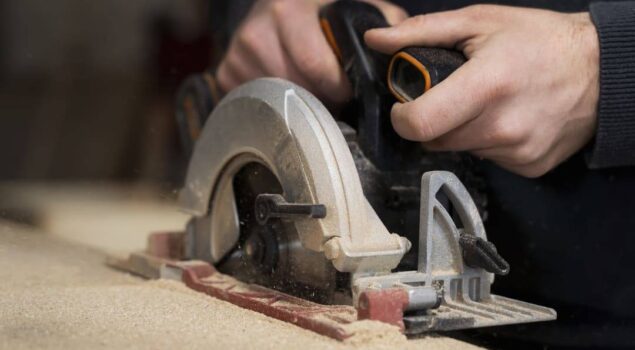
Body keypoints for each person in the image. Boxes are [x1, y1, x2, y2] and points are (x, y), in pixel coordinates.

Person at [211, 0, 635, 346]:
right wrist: (266, 18)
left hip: (594, 309)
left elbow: (608, 57)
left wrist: (604, 61)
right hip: (313, 215)